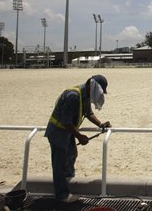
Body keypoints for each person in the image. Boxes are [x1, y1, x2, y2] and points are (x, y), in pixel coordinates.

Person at [45, 74, 112, 203]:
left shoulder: (84, 95)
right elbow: (66, 121)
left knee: (71, 155)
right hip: (58, 132)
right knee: (59, 163)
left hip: (67, 132)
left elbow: (88, 113)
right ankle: (62, 194)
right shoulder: (73, 96)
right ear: (90, 85)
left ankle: (68, 182)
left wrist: (100, 124)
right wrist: (80, 136)